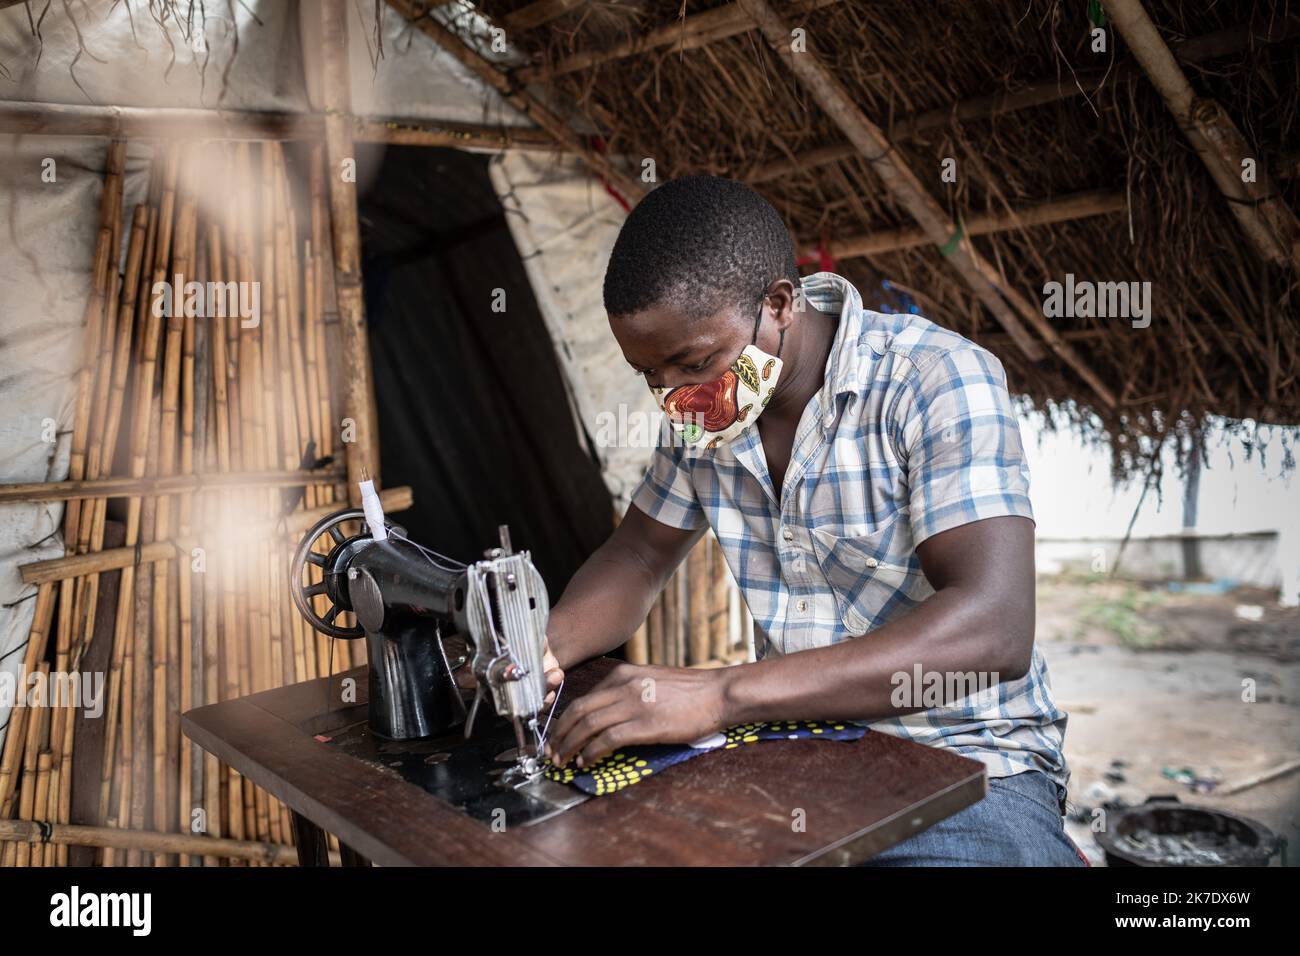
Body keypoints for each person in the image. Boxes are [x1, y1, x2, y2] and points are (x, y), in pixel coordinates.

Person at [535, 175, 1082, 866]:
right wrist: (541, 648)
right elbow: (641, 554)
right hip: (794, 749)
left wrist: (723, 693)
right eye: (650, 375)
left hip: (970, 764)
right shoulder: (705, 415)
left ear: (780, 303)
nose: (676, 397)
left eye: (695, 362)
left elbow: (992, 625)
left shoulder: (934, 378)